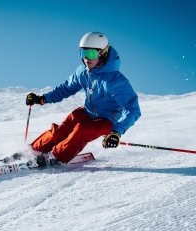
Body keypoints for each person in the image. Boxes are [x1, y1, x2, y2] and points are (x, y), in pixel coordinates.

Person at [25, 31, 141, 167]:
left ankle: (56, 157)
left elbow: (132, 109)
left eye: (91, 53)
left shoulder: (115, 81)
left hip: (108, 120)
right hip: (87, 112)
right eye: (83, 53)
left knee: (82, 130)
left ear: (102, 53)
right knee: (61, 130)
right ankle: (33, 151)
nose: (86, 58)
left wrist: (116, 132)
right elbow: (65, 88)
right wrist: (42, 98)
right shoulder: (83, 72)